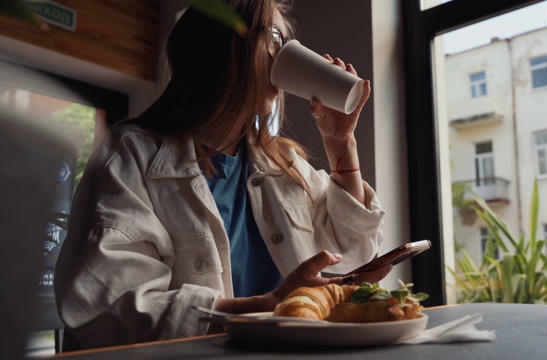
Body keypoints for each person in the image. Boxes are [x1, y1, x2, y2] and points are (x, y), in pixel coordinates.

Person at [54, 0, 388, 350]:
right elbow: (105, 303)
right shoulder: (131, 155)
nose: (282, 52)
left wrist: (340, 143)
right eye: (273, 37)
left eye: (286, 40)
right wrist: (263, 307)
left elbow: (355, 249)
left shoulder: (283, 161)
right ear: (222, 46)